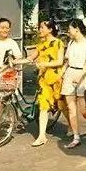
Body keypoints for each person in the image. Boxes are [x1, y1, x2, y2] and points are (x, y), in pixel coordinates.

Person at [27, 19, 65, 147]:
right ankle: (42, 136)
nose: (40, 30)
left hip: (56, 79)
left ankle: (74, 127)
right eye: (40, 27)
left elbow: (59, 61)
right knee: (43, 106)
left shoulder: (58, 43)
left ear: (50, 29)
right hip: (43, 80)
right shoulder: (40, 45)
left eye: (42, 27)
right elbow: (30, 58)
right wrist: (15, 62)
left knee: (62, 105)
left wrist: (44, 64)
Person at [60, 19, 86, 149]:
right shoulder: (71, 43)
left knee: (82, 108)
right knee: (71, 108)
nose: (68, 31)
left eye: (69, 29)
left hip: (83, 75)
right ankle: (76, 137)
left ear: (77, 29)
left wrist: (80, 76)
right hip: (70, 74)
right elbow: (67, 61)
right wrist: (62, 72)